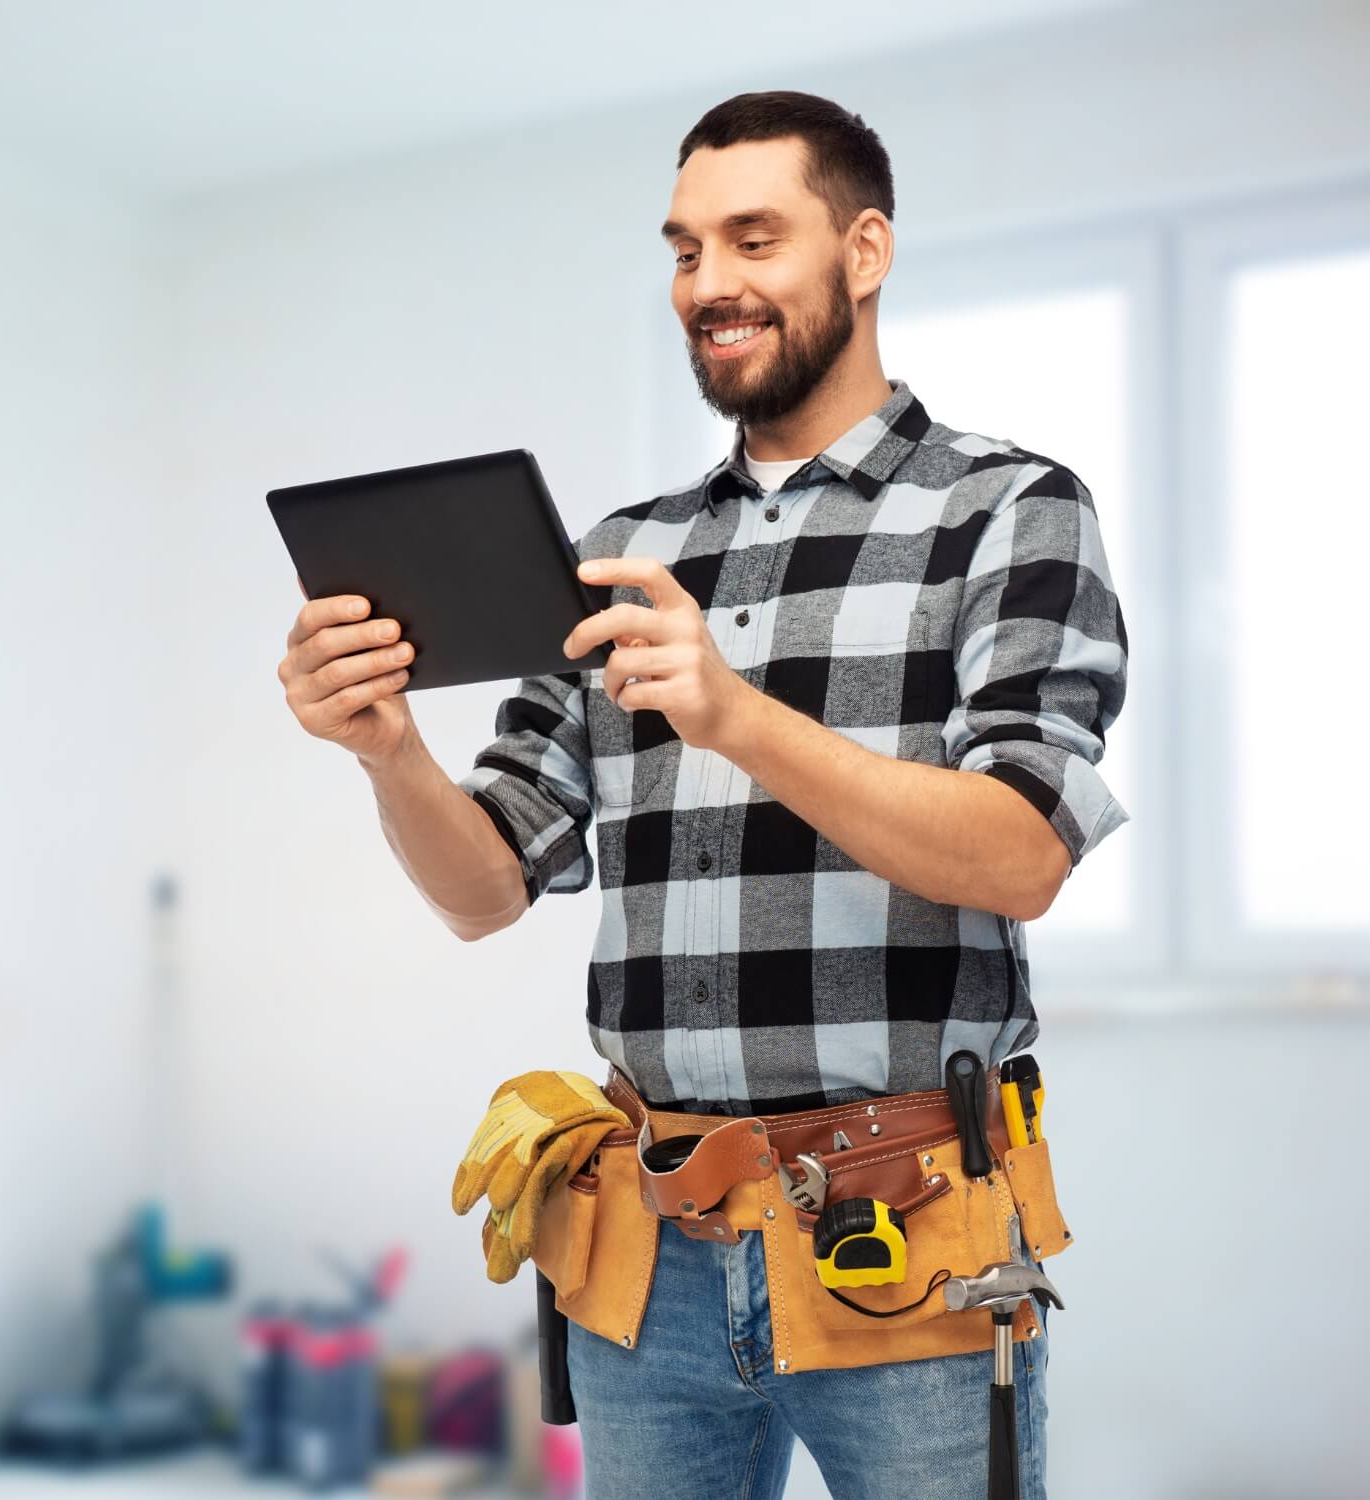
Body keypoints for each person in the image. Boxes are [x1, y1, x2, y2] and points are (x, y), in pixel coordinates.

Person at [276, 90, 1126, 1499]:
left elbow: (1022, 854)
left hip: (908, 1241)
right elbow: (486, 887)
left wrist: (732, 712)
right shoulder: (626, 555)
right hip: (649, 1252)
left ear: (863, 252)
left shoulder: (1009, 510)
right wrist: (387, 751)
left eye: (753, 239)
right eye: (684, 251)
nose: (709, 287)